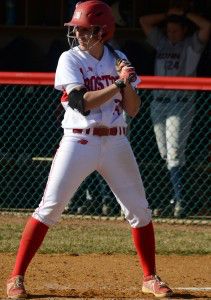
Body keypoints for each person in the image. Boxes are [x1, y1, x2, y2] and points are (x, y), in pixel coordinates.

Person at [6, 1, 173, 299]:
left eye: (86, 30)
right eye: (77, 29)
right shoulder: (69, 59)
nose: (79, 35)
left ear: (103, 31)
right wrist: (118, 84)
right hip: (78, 141)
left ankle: (150, 277)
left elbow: (133, 110)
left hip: (117, 142)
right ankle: (16, 277)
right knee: (50, 208)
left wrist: (128, 84)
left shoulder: (119, 57)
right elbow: (82, 103)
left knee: (140, 211)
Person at [139, 8, 211, 218]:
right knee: (165, 153)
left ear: (184, 31)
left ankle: (181, 200)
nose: (171, 34)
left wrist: (185, 13)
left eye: (175, 30)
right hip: (158, 103)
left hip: (180, 103)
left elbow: (207, 27)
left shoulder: (191, 44)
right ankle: (174, 197)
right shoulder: (161, 42)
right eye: (168, 30)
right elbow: (144, 20)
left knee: (174, 154)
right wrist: (167, 14)